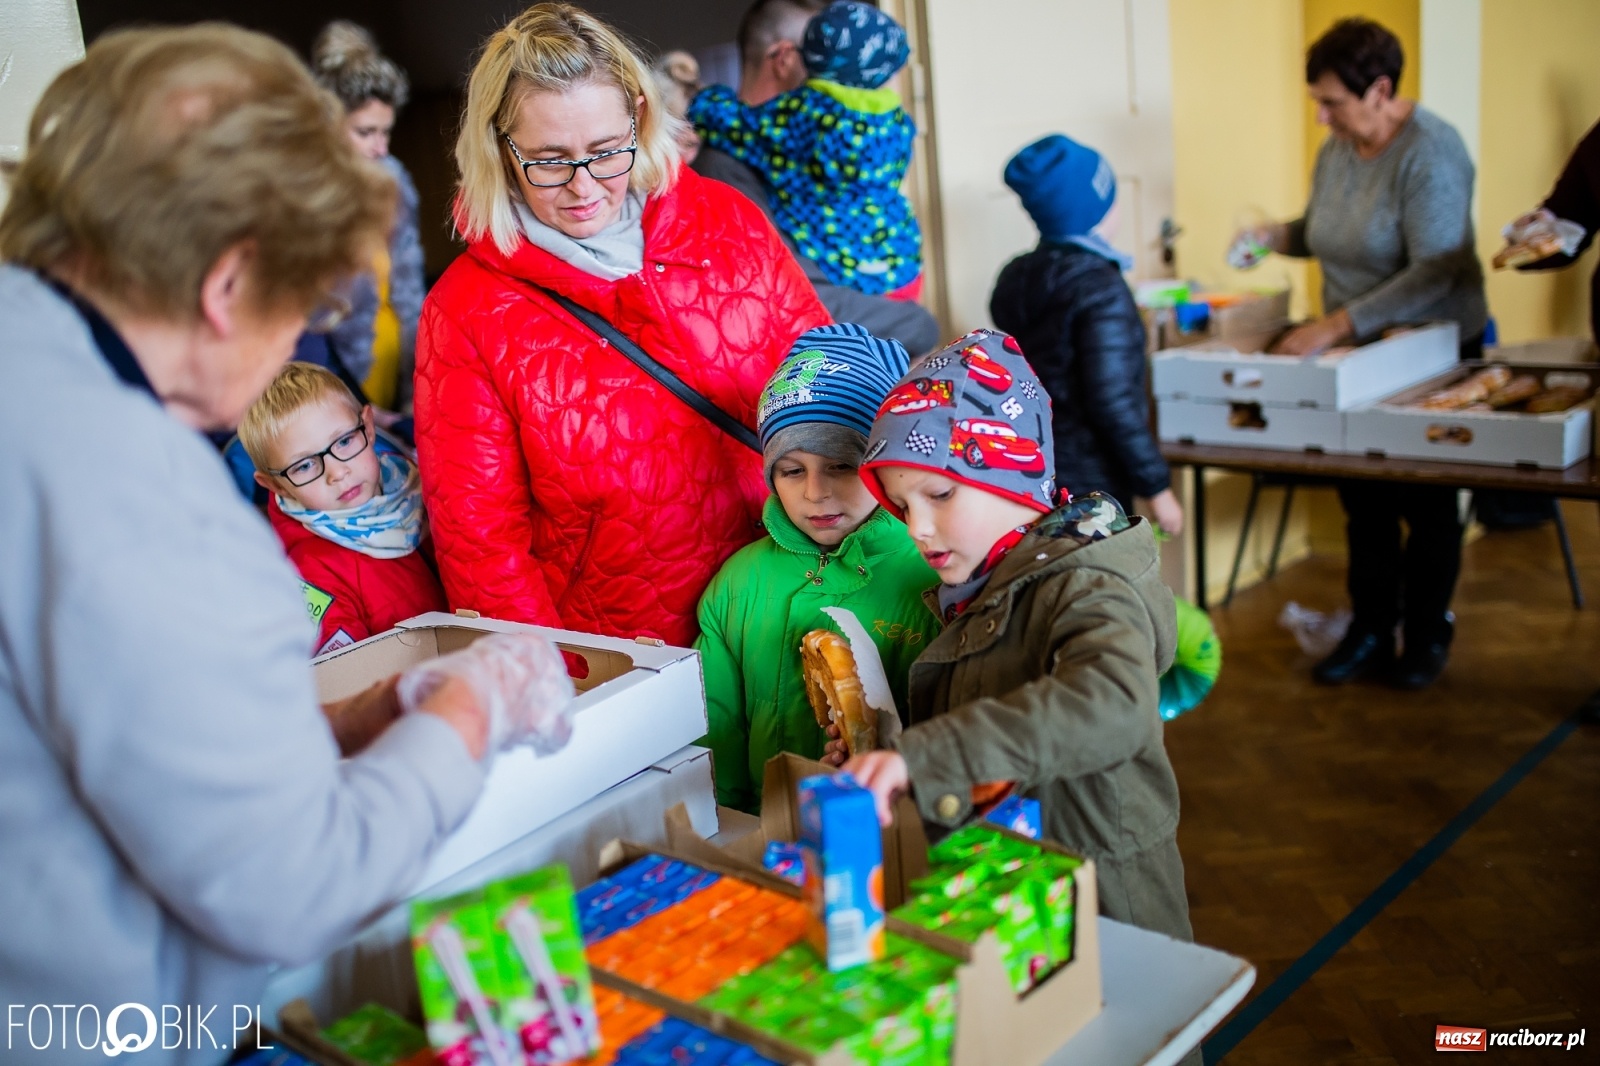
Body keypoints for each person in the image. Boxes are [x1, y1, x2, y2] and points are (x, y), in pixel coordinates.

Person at [0, 26, 572, 1061]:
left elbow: (100, 738)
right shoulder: (141, 492)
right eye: (304, 309)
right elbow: (291, 885)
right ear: (226, 289)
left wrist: (360, 717)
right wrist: (467, 706)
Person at [416, 3, 829, 649]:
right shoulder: (465, 310)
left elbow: (828, 385)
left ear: (639, 117)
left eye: (606, 151)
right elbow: (482, 544)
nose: (584, 188)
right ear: (500, 148)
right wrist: (555, 683)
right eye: (550, 160)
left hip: (791, 606)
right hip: (630, 648)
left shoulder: (725, 216)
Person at [830, 328, 1192, 944]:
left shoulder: (1085, 587)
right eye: (901, 506)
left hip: (1108, 916)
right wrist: (889, 758)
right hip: (1019, 895)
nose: (917, 528)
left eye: (939, 494)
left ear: (1010, 479)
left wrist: (926, 756)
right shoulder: (985, 580)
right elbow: (987, 713)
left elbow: (1112, 705)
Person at [1242, 18, 1488, 689]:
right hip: (1354, 353)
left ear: (1381, 90)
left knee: (1426, 501)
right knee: (1365, 501)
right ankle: (1371, 628)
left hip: (1428, 347)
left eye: (1333, 103)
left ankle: (1427, 632)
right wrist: (1273, 235)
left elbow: (1437, 270)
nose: (1322, 117)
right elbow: (1325, 232)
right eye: (1318, 102)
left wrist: (1335, 324)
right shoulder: (1340, 148)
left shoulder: (1432, 152)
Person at [696, 322, 936, 813]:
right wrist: (725, 824)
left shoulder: (932, 580)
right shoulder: (738, 584)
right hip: (765, 833)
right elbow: (713, 729)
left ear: (882, 464)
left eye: (842, 465)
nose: (815, 492)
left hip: (896, 832)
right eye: (792, 470)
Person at [692, 0, 939, 356]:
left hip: (858, 312)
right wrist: (915, 323)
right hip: (874, 302)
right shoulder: (723, 166)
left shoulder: (802, 134)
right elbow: (789, 297)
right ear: (785, 57)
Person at [992, 133, 1184, 536]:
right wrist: (1158, 488)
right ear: (1093, 211)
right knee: (1101, 584)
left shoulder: (1016, 278)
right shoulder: (1101, 289)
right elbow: (1112, 401)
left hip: (1031, 466)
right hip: (1094, 479)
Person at [239, 362, 447, 655]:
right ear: (276, 486)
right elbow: (348, 677)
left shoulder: (422, 484)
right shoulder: (313, 573)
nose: (337, 473)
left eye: (344, 441)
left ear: (369, 427)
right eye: (305, 465)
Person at [310, 21, 427, 414]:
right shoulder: (299, 194)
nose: (382, 147)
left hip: (395, 360)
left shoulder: (393, 180)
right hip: (330, 374)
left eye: (387, 132)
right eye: (366, 132)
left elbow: (409, 287)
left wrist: (420, 381)